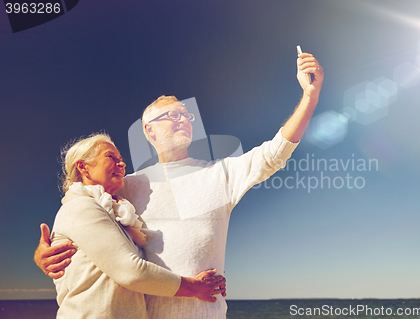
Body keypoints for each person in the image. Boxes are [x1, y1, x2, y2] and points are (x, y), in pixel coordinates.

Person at [35, 51, 324, 318]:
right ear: (149, 131)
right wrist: (44, 255)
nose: (183, 119)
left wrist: (309, 97)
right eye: (172, 115)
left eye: (186, 115)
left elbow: (274, 153)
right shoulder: (127, 187)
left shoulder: (221, 173)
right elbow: (82, 220)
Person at [49, 133, 226, 318]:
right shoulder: (80, 207)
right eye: (111, 157)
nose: (122, 164)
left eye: (121, 159)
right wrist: (195, 288)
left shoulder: (116, 213)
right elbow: (130, 271)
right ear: (83, 167)